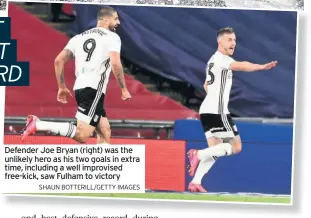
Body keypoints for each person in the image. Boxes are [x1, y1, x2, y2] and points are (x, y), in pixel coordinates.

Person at [21, 6, 131, 144]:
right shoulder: (112, 37)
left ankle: (101, 164)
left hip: (80, 87)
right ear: (105, 19)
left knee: (104, 129)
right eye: (116, 18)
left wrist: (62, 87)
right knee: (82, 135)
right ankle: (38, 124)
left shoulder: (78, 37)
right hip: (94, 89)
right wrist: (124, 89)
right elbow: (116, 63)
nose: (118, 22)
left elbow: (58, 60)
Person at [187, 27, 277, 192]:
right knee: (236, 147)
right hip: (217, 111)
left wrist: (215, 96)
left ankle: (196, 181)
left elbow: (206, 85)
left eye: (234, 40)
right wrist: (261, 67)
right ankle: (197, 155)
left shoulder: (212, 60)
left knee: (215, 149)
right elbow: (242, 66)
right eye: (229, 40)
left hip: (207, 109)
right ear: (219, 42)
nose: (233, 43)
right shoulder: (222, 59)